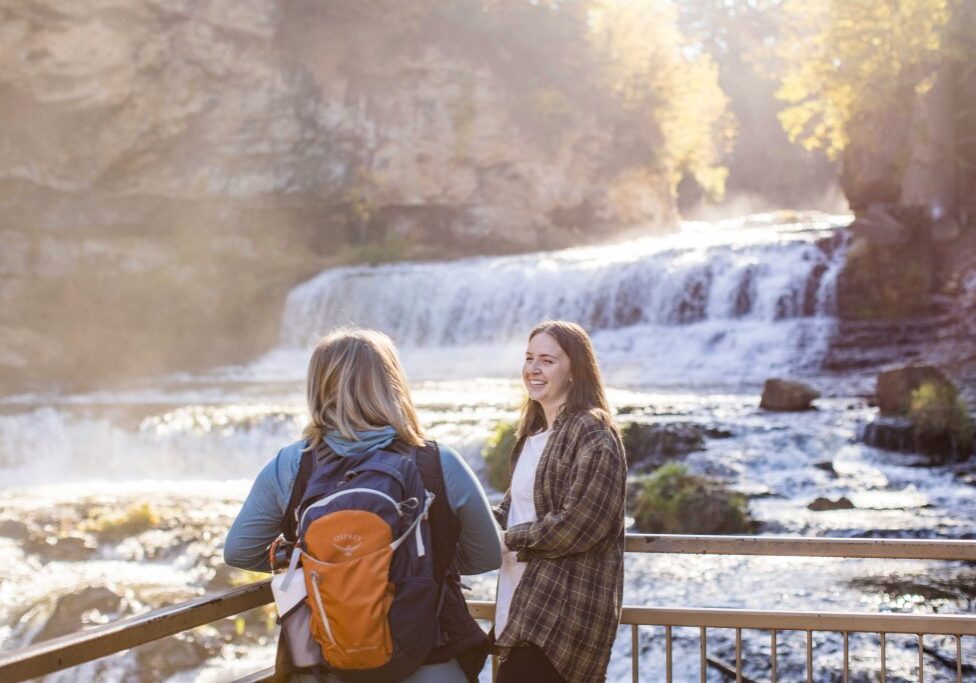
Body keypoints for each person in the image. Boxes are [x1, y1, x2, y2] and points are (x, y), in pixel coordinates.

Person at [224, 328, 501, 683]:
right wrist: (413, 563)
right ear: (392, 383)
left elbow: (239, 552)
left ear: (318, 387)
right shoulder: (439, 462)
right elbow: (487, 556)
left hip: (323, 658)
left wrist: (331, 562)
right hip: (432, 654)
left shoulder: (291, 464)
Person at [493, 320, 627, 683]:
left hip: (561, 615)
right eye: (529, 358)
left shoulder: (591, 430)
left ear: (575, 370)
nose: (533, 369)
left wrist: (509, 539)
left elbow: (581, 524)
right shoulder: (534, 433)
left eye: (547, 361)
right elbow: (515, 507)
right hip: (522, 603)